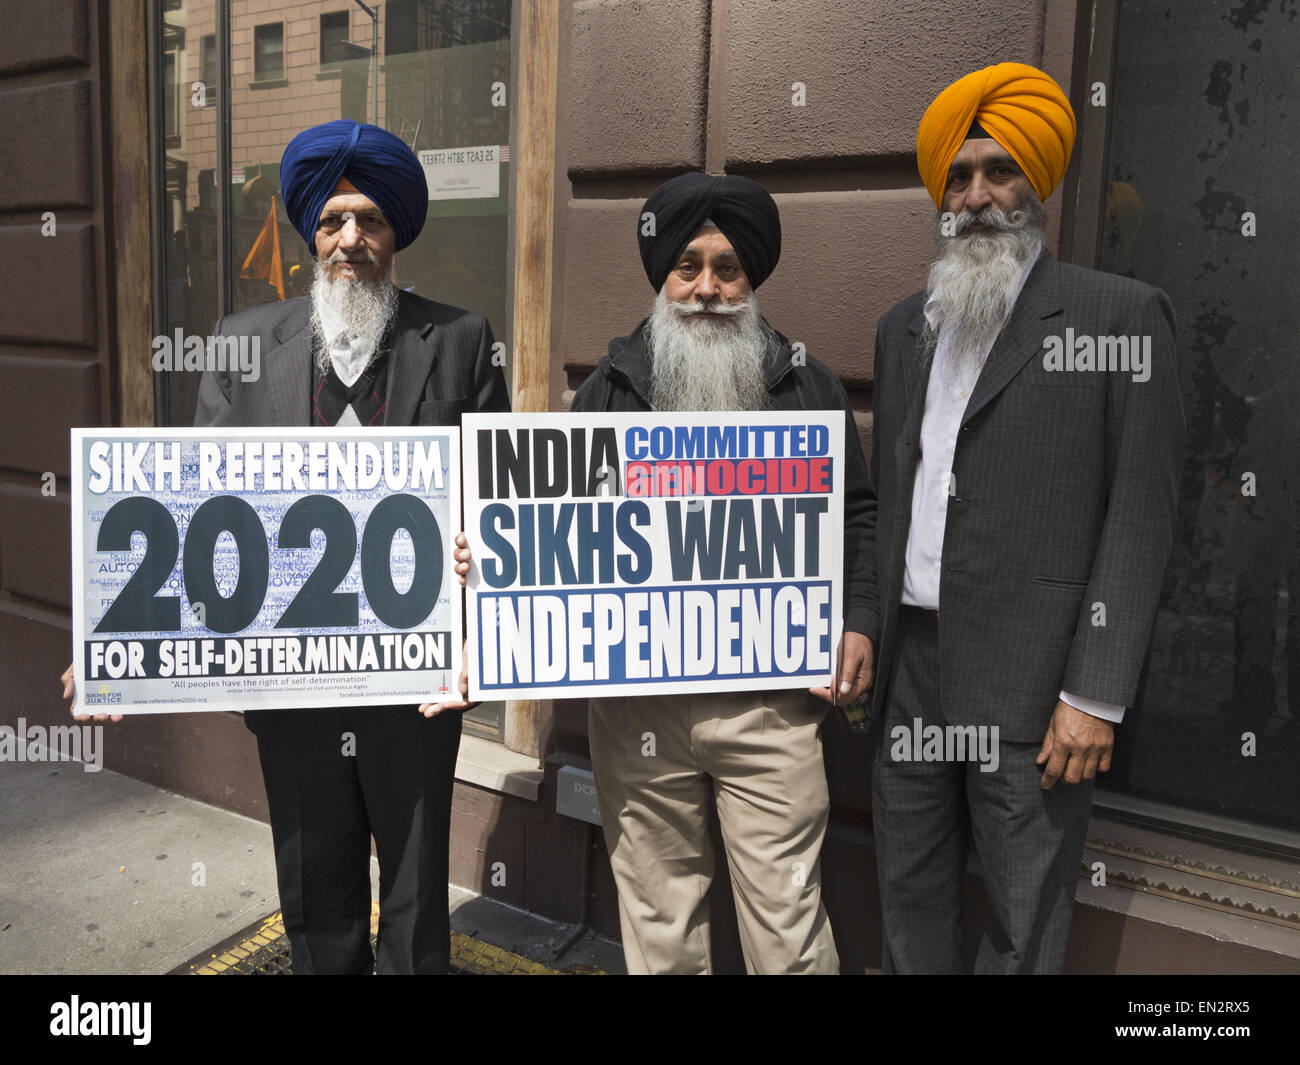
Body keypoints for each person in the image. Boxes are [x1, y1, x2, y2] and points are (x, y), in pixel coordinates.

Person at [64, 119, 509, 974]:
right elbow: (194, 512)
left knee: (417, 904)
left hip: (415, 682)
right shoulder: (243, 339)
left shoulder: (458, 340)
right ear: (311, 233)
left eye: (370, 221)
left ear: (396, 234)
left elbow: (502, 507)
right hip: (291, 680)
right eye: (335, 219)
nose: (352, 240)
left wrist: (476, 562)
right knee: (315, 894)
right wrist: (111, 639)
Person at [435, 172, 877, 973]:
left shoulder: (803, 386)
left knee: (790, 935)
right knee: (660, 930)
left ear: (751, 279)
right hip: (639, 713)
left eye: (727, 268)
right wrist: (492, 560)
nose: (706, 288)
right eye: (687, 266)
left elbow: (860, 515)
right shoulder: (608, 390)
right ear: (662, 277)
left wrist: (860, 619)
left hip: (771, 710)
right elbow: (553, 529)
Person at [866, 63, 1185, 973]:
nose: (977, 196)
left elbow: (1141, 516)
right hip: (913, 675)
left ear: (1035, 181)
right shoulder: (904, 328)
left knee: (1022, 927)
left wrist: (1094, 693)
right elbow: (893, 503)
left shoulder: (1119, 315)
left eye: (999, 171)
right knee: (909, 915)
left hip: (1036, 685)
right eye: (959, 177)